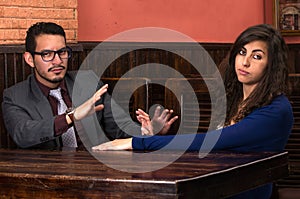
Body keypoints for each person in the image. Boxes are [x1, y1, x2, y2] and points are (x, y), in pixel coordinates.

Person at [92, 24, 294, 199]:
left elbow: (214, 141)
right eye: (242, 52)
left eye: (256, 56)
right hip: (212, 185)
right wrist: (155, 136)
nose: (245, 62)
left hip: (244, 192)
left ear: (272, 66)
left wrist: (136, 142)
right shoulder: (234, 98)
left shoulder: (277, 109)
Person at [2, 22, 177, 150]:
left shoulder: (87, 82)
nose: (57, 61)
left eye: (62, 52)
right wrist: (71, 116)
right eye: (47, 54)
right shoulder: (14, 96)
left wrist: (147, 132)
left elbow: (119, 127)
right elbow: (23, 135)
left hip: (95, 170)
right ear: (29, 59)